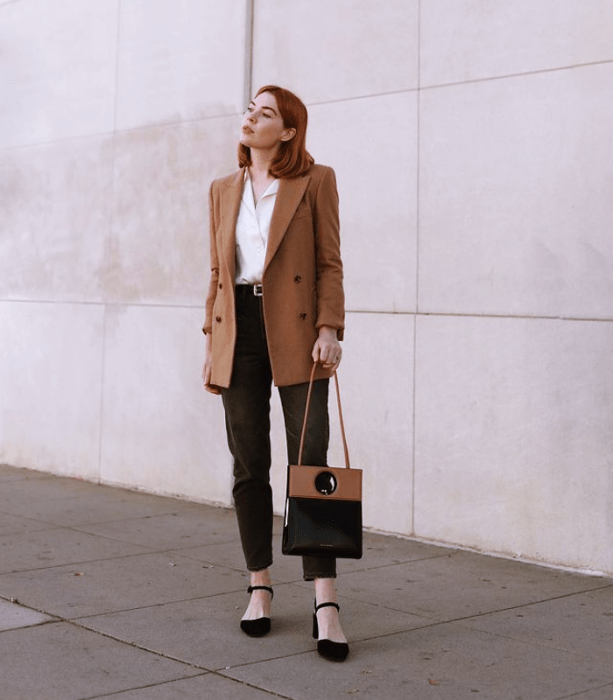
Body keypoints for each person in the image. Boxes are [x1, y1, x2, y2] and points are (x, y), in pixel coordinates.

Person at [201, 85, 348, 660]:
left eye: (265, 113)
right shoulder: (221, 189)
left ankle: (325, 600)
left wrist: (330, 328)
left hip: (298, 329)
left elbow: (329, 260)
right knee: (248, 465)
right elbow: (217, 270)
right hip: (238, 330)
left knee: (310, 462)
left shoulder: (316, 180)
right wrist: (211, 339)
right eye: (249, 110)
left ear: (287, 130)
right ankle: (259, 586)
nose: (250, 118)